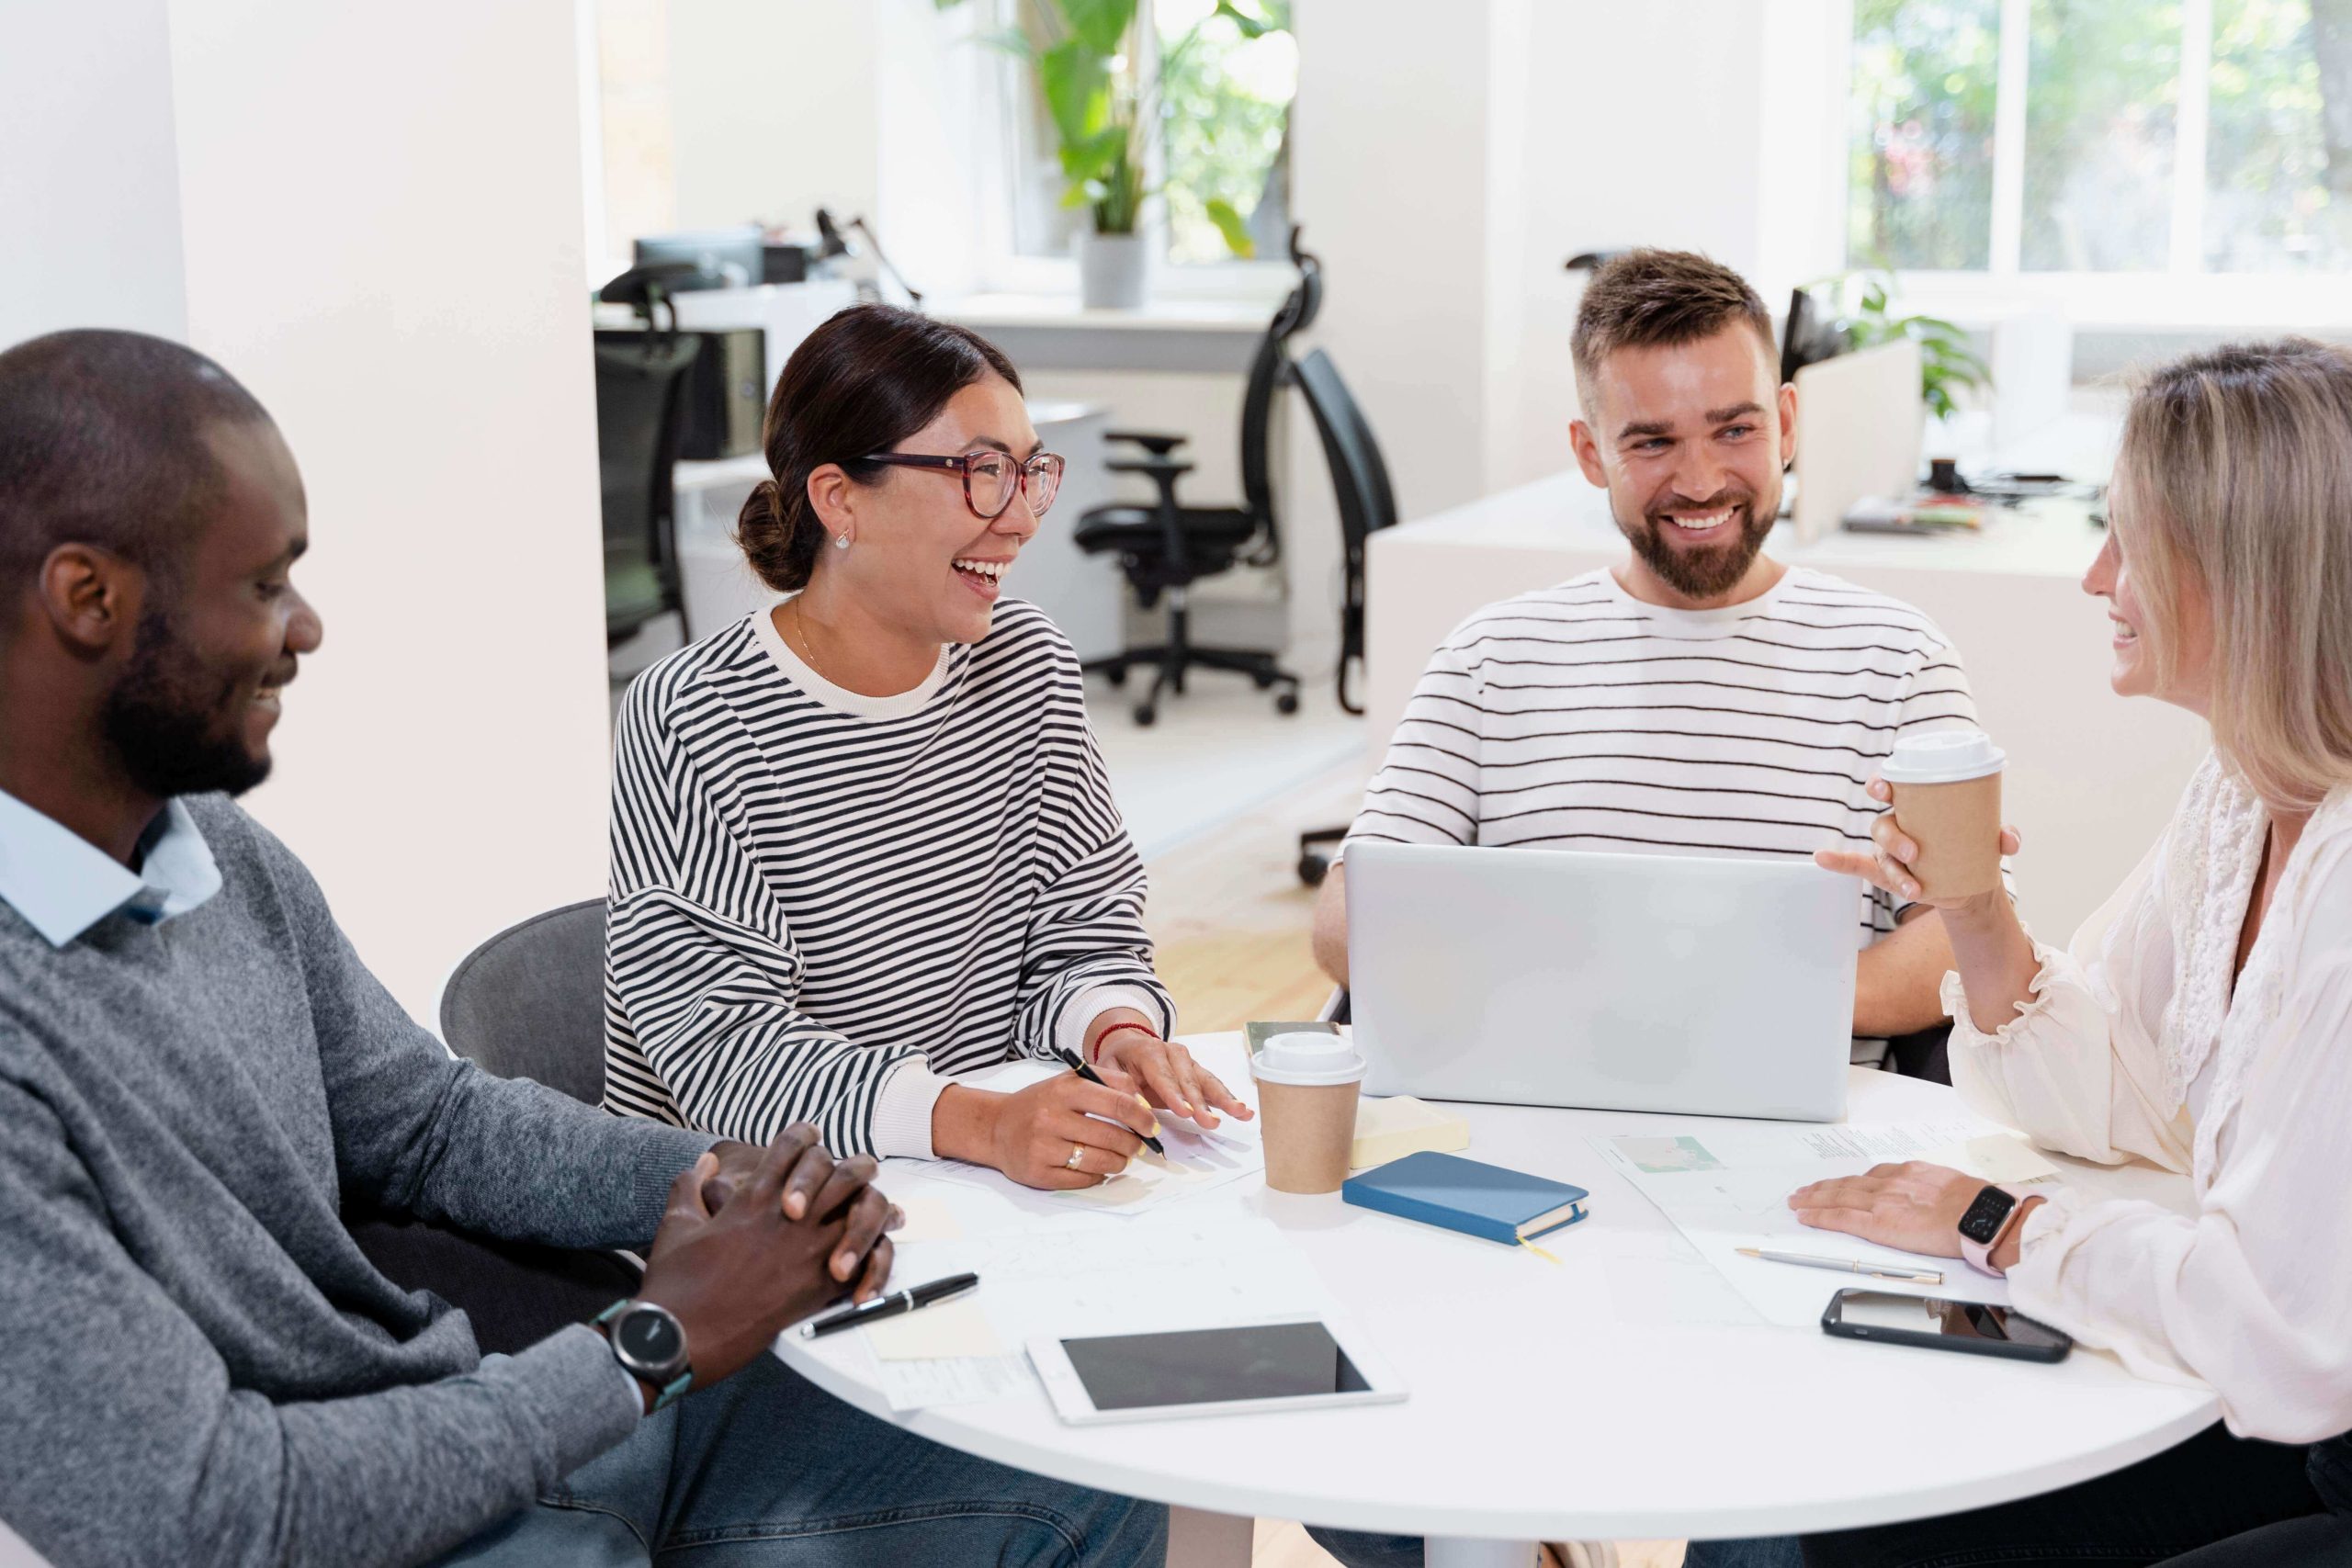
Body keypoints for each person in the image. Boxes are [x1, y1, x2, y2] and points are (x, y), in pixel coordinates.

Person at [0, 329, 1166, 1567]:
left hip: (513, 1420)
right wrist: (647, 1342)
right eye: (262, 586)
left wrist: (727, 1184)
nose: (308, 629)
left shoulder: (224, 861)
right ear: (88, 599)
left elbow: (434, 1124)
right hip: (389, 1508)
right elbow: (219, 1514)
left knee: (1091, 1477)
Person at [1690, 339, 2352, 1566]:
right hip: (2258, 1394)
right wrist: (1974, 905)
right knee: (1806, 1493)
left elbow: (2286, 1342)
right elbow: (2117, 1103)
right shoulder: (2243, 797)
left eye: (2130, 541)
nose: (2098, 576)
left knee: (1845, 1534)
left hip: (2311, 1438)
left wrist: (1990, 1218)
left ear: (2248, 575)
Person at [603, 304, 1250, 1187]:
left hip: (978, 1187)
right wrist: (982, 1123)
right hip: (759, 1213)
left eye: (1030, 473)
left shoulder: (1027, 664)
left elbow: (1084, 930)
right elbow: (726, 1055)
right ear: (840, 500)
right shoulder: (692, 715)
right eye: (982, 472)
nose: (1020, 519)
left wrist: (1118, 1029)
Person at [1310, 249, 1984, 1071]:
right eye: (1652, 442)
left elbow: (1963, 938)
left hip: (1809, 1145)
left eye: (1735, 430)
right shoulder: (1490, 659)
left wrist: (1685, 1004)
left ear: (1788, 425)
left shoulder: (1900, 660)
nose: (1700, 481)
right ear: (1591, 452)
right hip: (1528, 1111)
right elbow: (1350, 920)